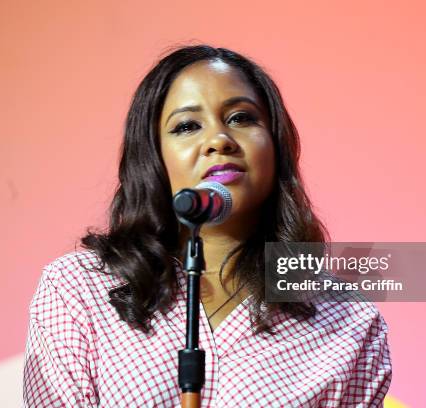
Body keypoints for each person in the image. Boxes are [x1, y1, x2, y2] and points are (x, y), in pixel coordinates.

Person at [23, 44, 392, 407]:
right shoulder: (79, 290)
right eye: (187, 126)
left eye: (241, 118)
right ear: (153, 157)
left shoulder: (348, 319)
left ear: (276, 144)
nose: (218, 140)